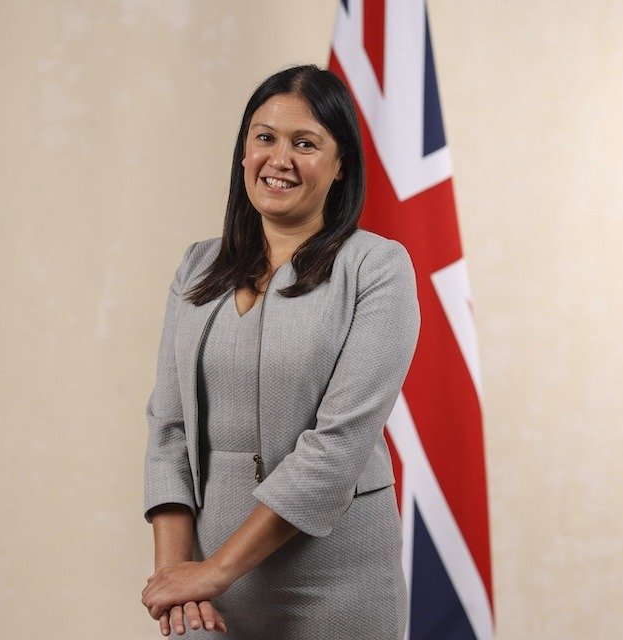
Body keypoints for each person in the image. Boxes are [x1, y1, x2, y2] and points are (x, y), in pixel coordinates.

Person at [140, 64, 420, 639]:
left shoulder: (378, 268)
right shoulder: (197, 267)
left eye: (306, 143)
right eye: (264, 137)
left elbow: (338, 445)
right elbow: (167, 431)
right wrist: (177, 578)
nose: (280, 158)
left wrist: (216, 569)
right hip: (209, 592)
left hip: (336, 579)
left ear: (341, 165)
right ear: (244, 152)